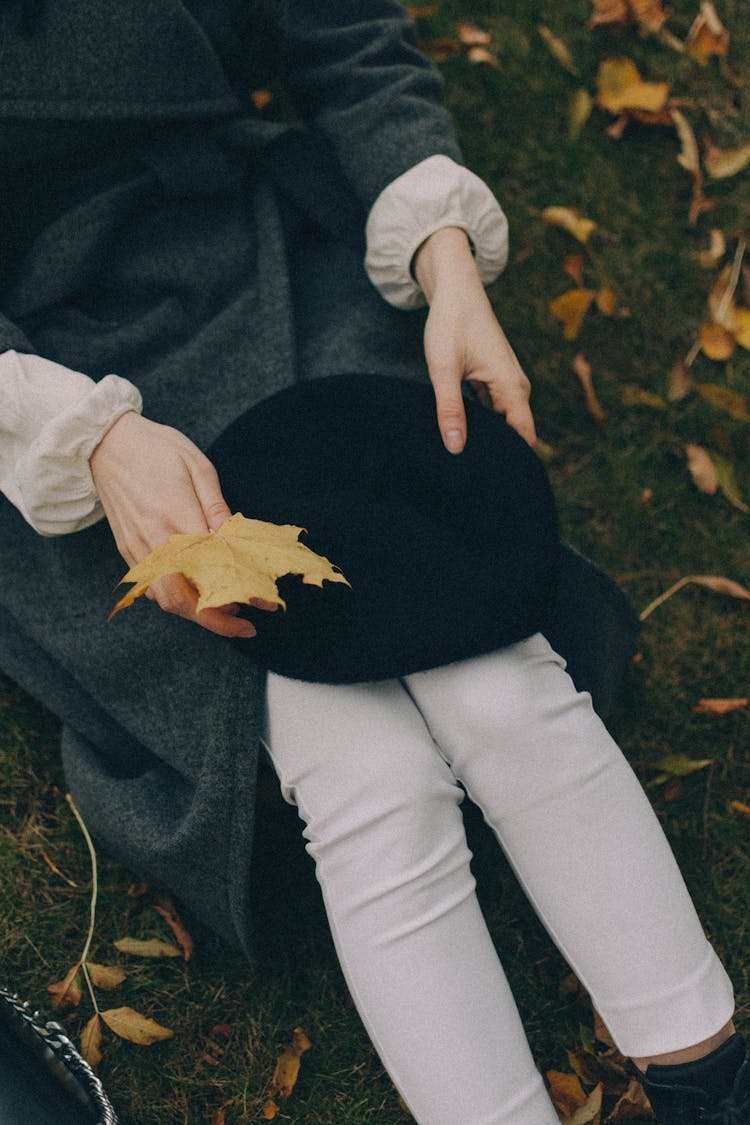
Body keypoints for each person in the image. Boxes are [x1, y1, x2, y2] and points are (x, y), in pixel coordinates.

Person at [0, 3, 746, 1122]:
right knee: (367, 776)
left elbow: (346, 38)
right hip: (36, 394)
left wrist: (447, 263)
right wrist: (89, 440)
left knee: (495, 680)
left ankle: (713, 1081)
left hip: (266, 268)